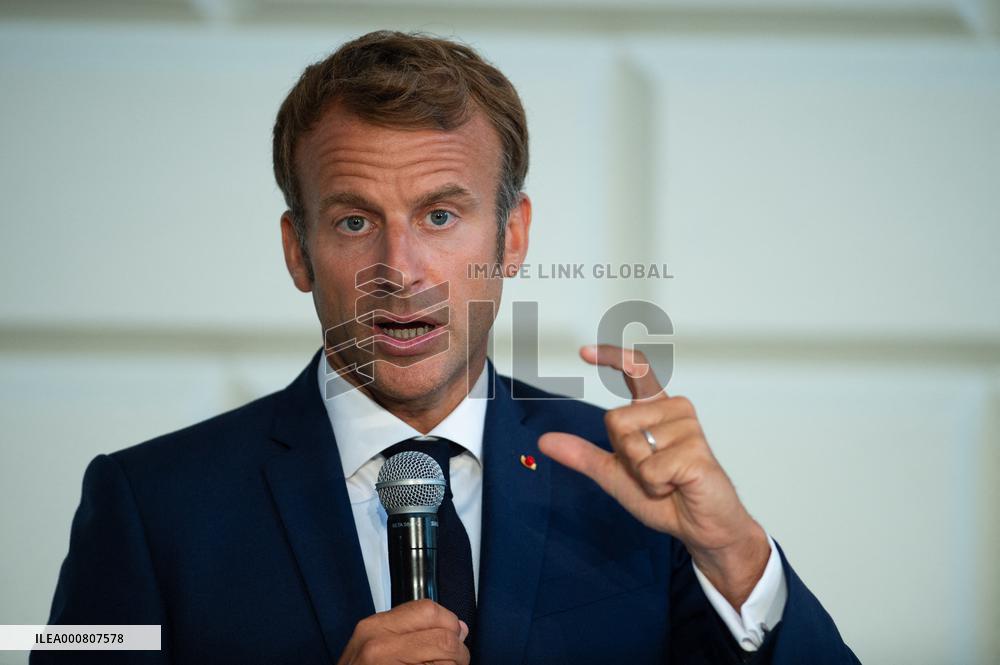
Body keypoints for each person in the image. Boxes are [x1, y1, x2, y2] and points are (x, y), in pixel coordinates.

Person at [35, 30, 859, 664]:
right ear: (298, 250)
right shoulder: (144, 502)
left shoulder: (631, 490)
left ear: (512, 236)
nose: (400, 270)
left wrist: (737, 555)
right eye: (354, 220)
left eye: (439, 215)